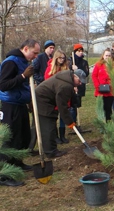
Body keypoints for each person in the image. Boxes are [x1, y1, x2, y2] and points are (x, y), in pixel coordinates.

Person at [0, 39, 40, 177]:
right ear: (25, 49)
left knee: (23, 136)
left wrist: (28, 99)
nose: (35, 56)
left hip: (20, 103)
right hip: (10, 105)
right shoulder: (11, 62)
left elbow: (22, 85)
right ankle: (6, 172)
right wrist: (23, 76)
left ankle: (18, 163)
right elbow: (3, 85)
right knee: (11, 138)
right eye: (34, 53)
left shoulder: (24, 62)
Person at [35, 69, 86, 158]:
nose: (80, 83)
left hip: (44, 98)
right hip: (42, 100)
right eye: (79, 81)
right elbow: (62, 106)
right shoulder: (65, 85)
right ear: (75, 76)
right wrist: (70, 122)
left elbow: (69, 98)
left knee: (48, 124)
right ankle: (51, 152)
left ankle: (47, 148)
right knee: (48, 125)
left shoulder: (66, 78)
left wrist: (75, 102)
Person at [44, 49, 71, 144]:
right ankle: (55, 136)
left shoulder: (65, 68)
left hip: (63, 95)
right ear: (56, 58)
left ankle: (62, 135)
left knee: (63, 115)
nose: (62, 60)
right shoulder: (50, 69)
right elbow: (47, 82)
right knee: (54, 116)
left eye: (63, 58)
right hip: (53, 96)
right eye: (60, 58)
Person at [91, 49, 114, 122]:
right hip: (100, 90)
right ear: (103, 56)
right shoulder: (98, 65)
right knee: (101, 108)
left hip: (110, 91)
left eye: (109, 55)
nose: (107, 57)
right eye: (106, 55)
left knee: (108, 108)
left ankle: (108, 123)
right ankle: (102, 124)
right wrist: (97, 86)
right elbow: (94, 76)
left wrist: (112, 84)